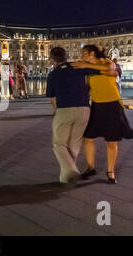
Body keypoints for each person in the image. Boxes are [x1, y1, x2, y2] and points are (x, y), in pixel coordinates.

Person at [72, 45, 133, 184]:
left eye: (83, 53)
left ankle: (110, 170)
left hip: (112, 104)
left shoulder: (106, 62)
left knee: (111, 141)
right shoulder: (88, 70)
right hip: (96, 105)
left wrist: (85, 65)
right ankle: (90, 167)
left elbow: (111, 70)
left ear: (91, 53)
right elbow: (86, 88)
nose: (81, 56)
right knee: (88, 137)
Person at [46, 47, 112, 184]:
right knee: (75, 142)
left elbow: (53, 99)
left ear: (52, 59)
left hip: (64, 109)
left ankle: (70, 170)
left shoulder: (52, 74)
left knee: (59, 144)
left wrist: (56, 112)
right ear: (66, 56)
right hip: (84, 110)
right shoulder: (78, 66)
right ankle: (65, 177)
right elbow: (106, 69)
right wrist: (88, 64)